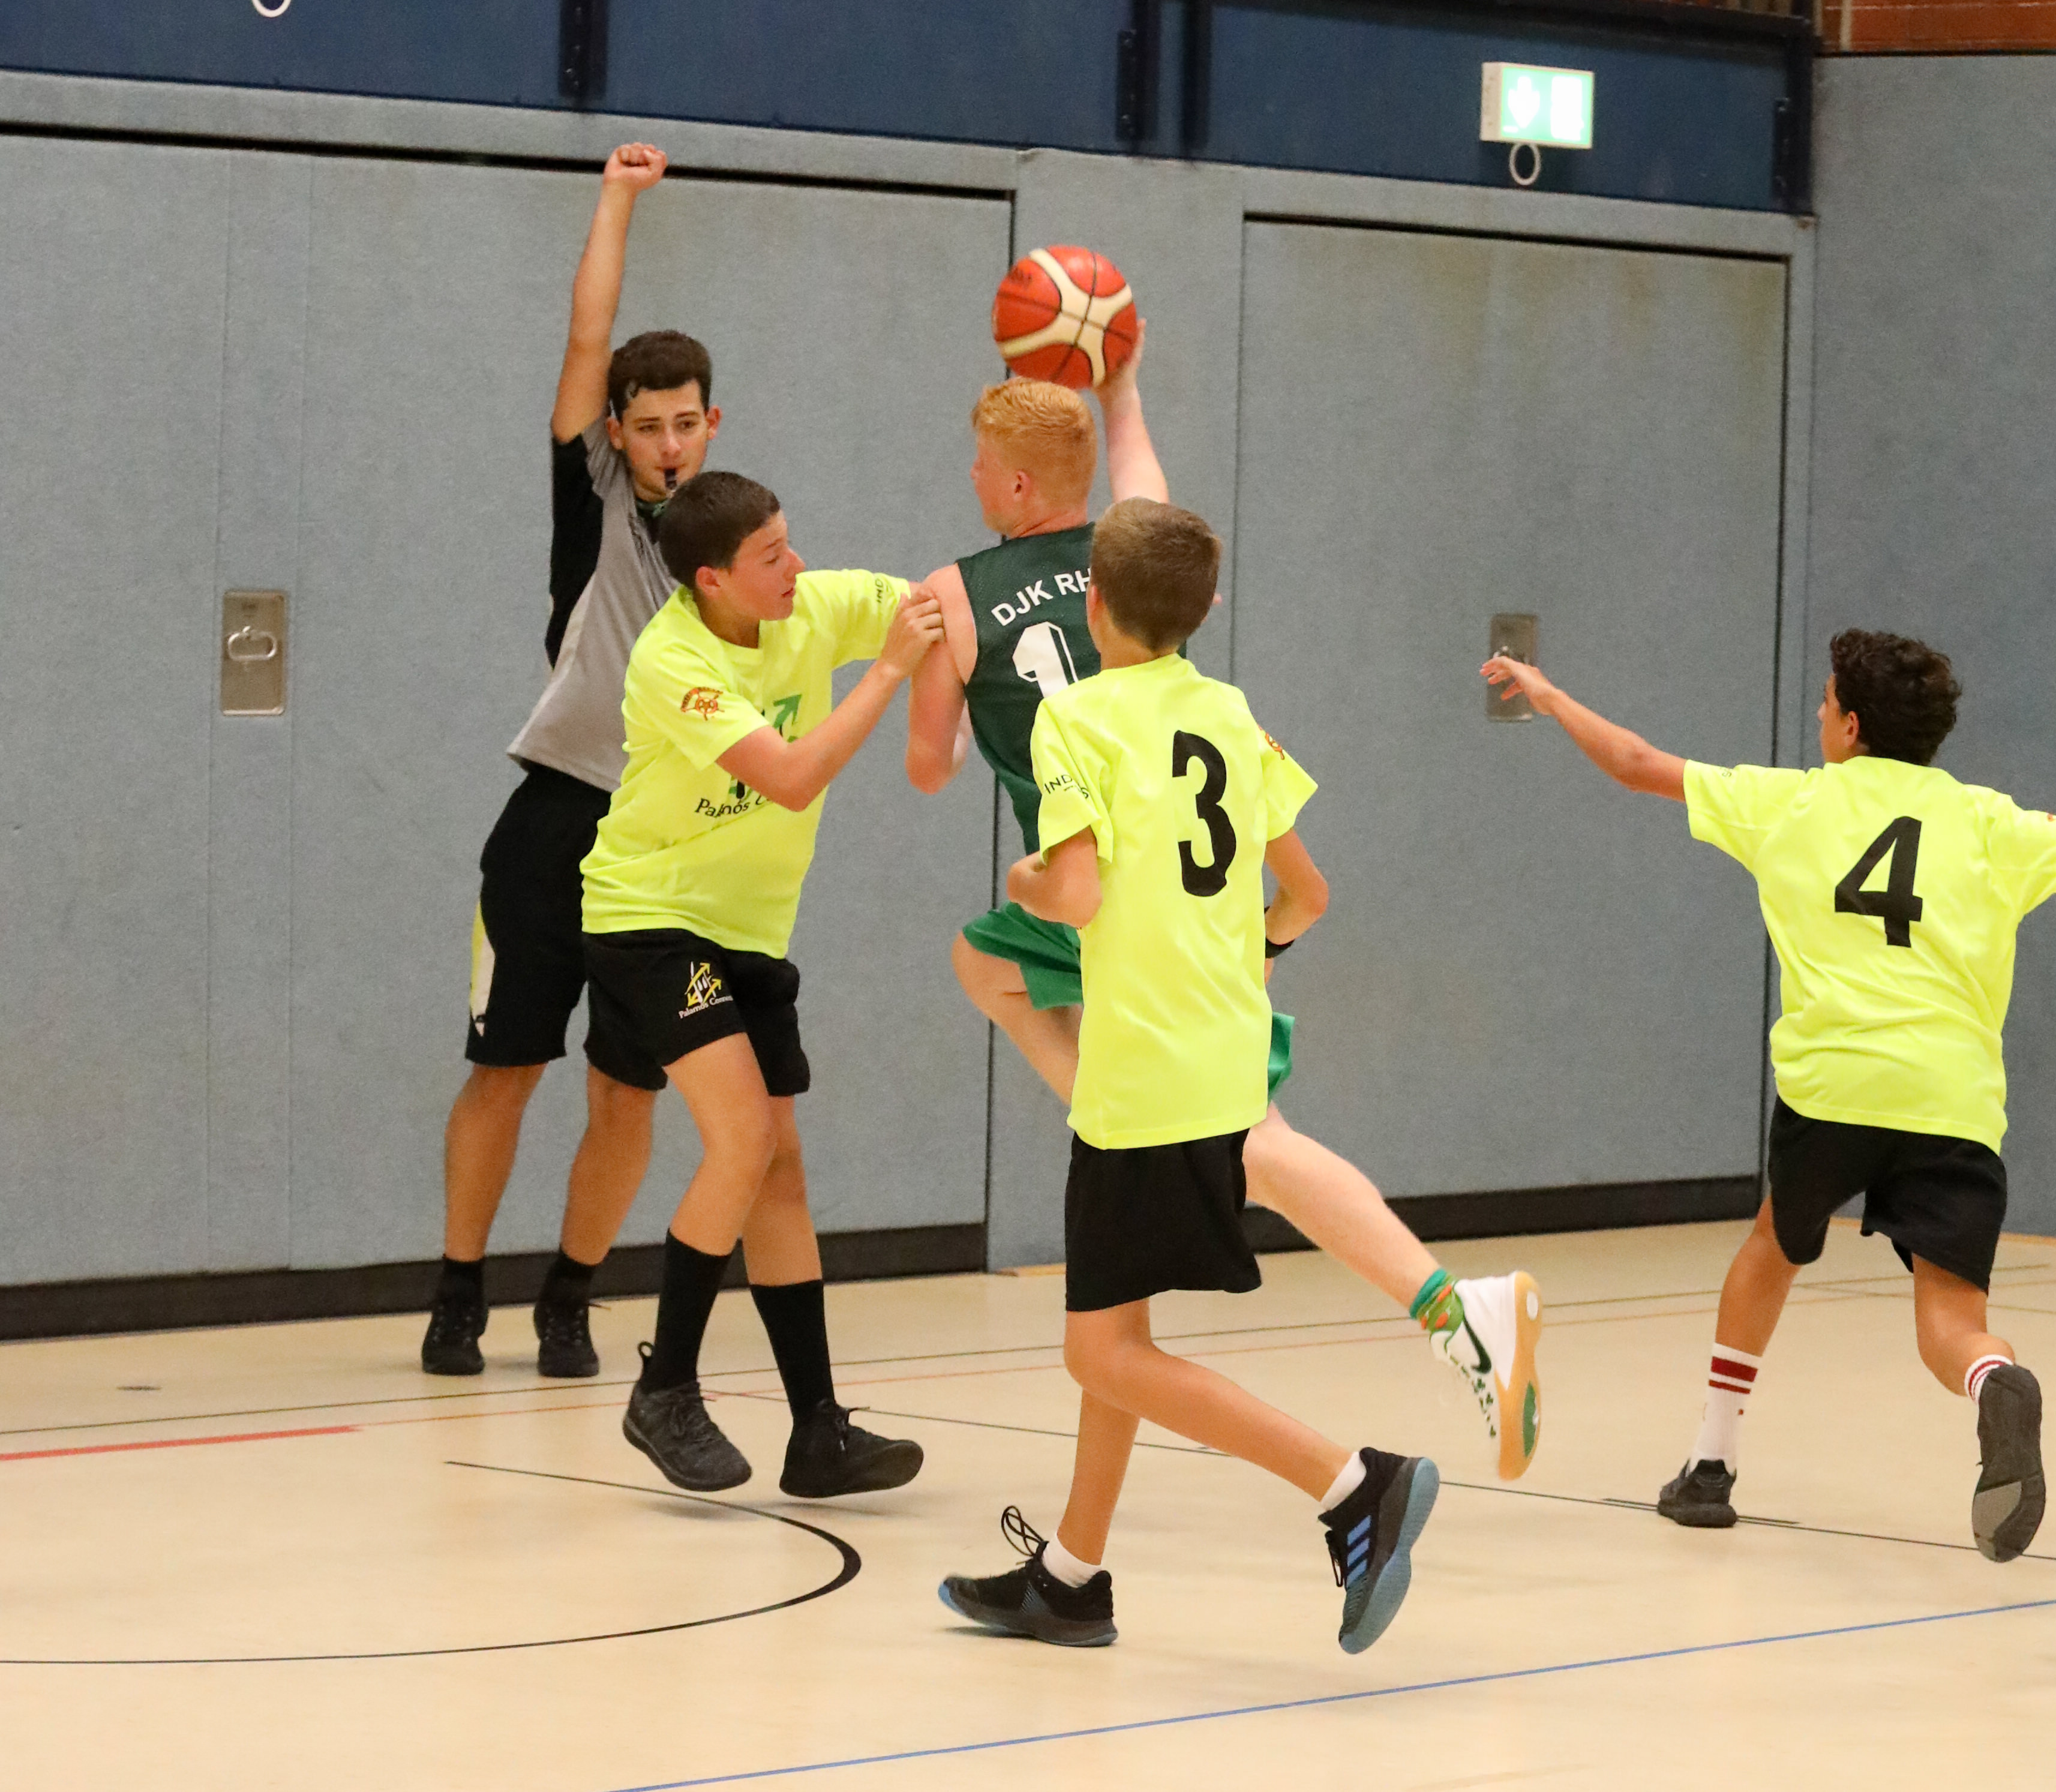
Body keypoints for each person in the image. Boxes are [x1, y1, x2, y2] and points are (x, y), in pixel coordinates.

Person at [904, 362, 1541, 1480]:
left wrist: (925, 679)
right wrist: (1124, 385)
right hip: (1201, 905)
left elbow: (930, 765)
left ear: (1013, 485)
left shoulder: (955, 598)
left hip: (1102, 898)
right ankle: (1079, 1557)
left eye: (978, 467)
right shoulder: (1144, 563)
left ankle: (1437, 1323)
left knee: (1006, 981)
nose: (970, 478)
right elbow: (1146, 480)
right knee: (1244, 1143)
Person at [1483, 631, 2056, 1563]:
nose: (1819, 714)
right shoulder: (1992, 820)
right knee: (1950, 1322)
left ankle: (1711, 1464)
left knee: (1773, 1245)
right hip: (1951, 1099)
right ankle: (1991, 1377)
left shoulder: (1789, 802)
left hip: (1832, 1088)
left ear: (1851, 725)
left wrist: (1551, 697)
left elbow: (1636, 764)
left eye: (1827, 701)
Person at [938, 500, 1439, 1651]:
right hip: (1226, 1059)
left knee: (1101, 1351)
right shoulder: (1230, 712)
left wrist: (1023, 883)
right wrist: (1241, 957)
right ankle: (1072, 1577)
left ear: (1093, 605)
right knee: (1116, 1327)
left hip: (1142, 1079)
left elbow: (1073, 893)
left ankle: (1351, 1485)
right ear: (1205, 609)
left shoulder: (1075, 718)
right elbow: (1306, 895)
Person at [589, 471, 941, 1499]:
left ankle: (818, 1433)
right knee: (741, 1139)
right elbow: (788, 777)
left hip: (749, 931)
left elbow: (941, 608)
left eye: (790, 542)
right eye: (772, 557)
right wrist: (888, 674)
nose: (797, 566)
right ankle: (665, 1389)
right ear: (712, 580)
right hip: (650, 919)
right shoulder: (674, 660)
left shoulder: (813, 604)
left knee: (779, 1169)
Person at [428, 142, 710, 1379]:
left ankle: (572, 1298)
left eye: (685, 424)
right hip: (554, 822)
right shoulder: (591, 492)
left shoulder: (742, 539)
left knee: (626, 1093)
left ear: (711, 425)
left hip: (665, 847)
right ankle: (456, 1293)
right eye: (647, 426)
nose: (667, 444)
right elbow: (587, 335)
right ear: (615, 432)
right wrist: (617, 200)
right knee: (505, 1069)